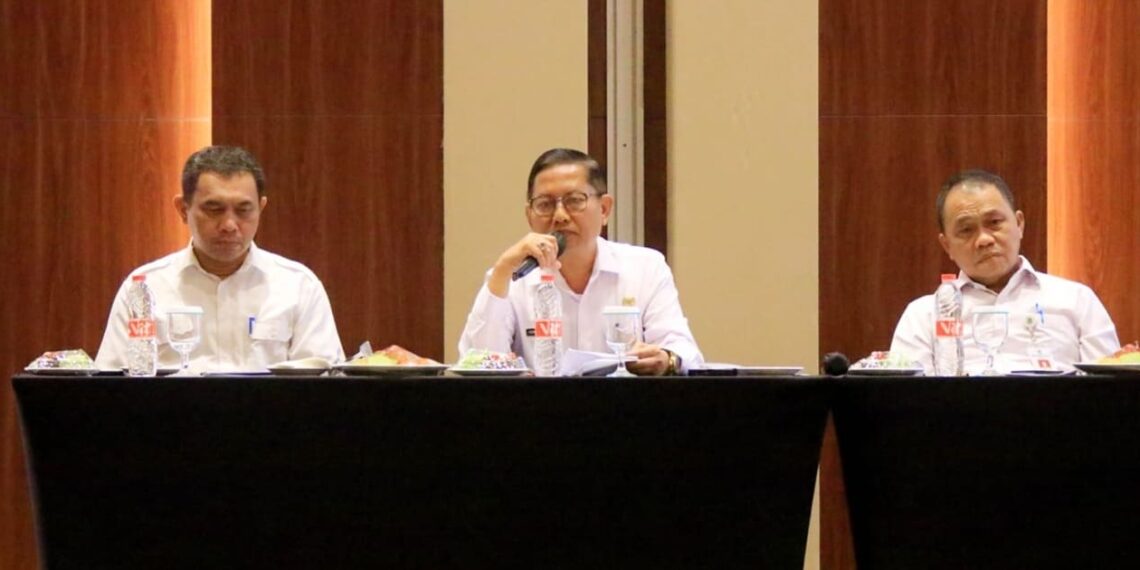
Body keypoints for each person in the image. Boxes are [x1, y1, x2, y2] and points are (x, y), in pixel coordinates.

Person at [95, 145, 345, 372]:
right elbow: (111, 383)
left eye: (243, 210)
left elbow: (324, 384)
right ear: (183, 209)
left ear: (261, 208)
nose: (229, 225)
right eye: (214, 209)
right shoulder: (144, 288)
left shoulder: (298, 286)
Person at [458, 148, 703, 375]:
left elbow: (685, 352)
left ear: (604, 209)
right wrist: (502, 269)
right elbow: (478, 366)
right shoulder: (511, 278)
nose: (560, 216)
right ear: (529, 215)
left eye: (574, 201)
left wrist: (667, 358)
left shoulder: (645, 267)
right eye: (545, 204)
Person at [890, 169, 1119, 373]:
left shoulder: (1077, 300)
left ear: (1019, 224)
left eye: (994, 223)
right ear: (947, 245)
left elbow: (1110, 389)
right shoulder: (923, 316)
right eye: (966, 230)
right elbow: (908, 398)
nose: (984, 239)